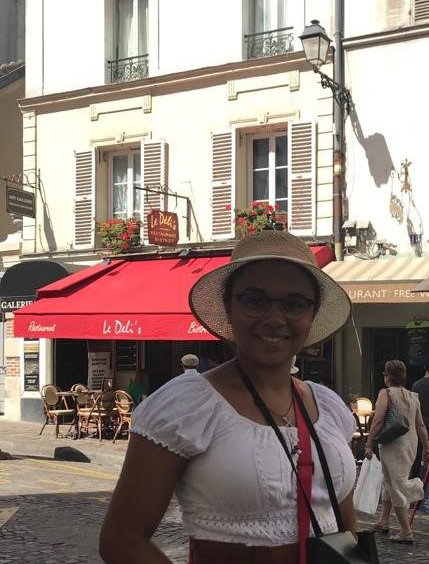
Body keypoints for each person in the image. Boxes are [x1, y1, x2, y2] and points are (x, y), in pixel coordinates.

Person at [100, 231, 357, 564]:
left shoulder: (328, 408)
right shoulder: (187, 407)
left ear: (312, 314)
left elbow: (344, 527)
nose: (274, 319)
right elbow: (122, 542)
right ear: (229, 306)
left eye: (294, 304)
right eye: (254, 300)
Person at [365, 359, 429, 545]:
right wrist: (426, 448)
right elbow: (421, 425)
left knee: (396, 484)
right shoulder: (413, 396)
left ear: (387, 377)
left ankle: (406, 531)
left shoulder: (385, 393)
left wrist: (369, 443)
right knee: (389, 481)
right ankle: (384, 520)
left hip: (392, 443)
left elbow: (378, 420)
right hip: (410, 443)